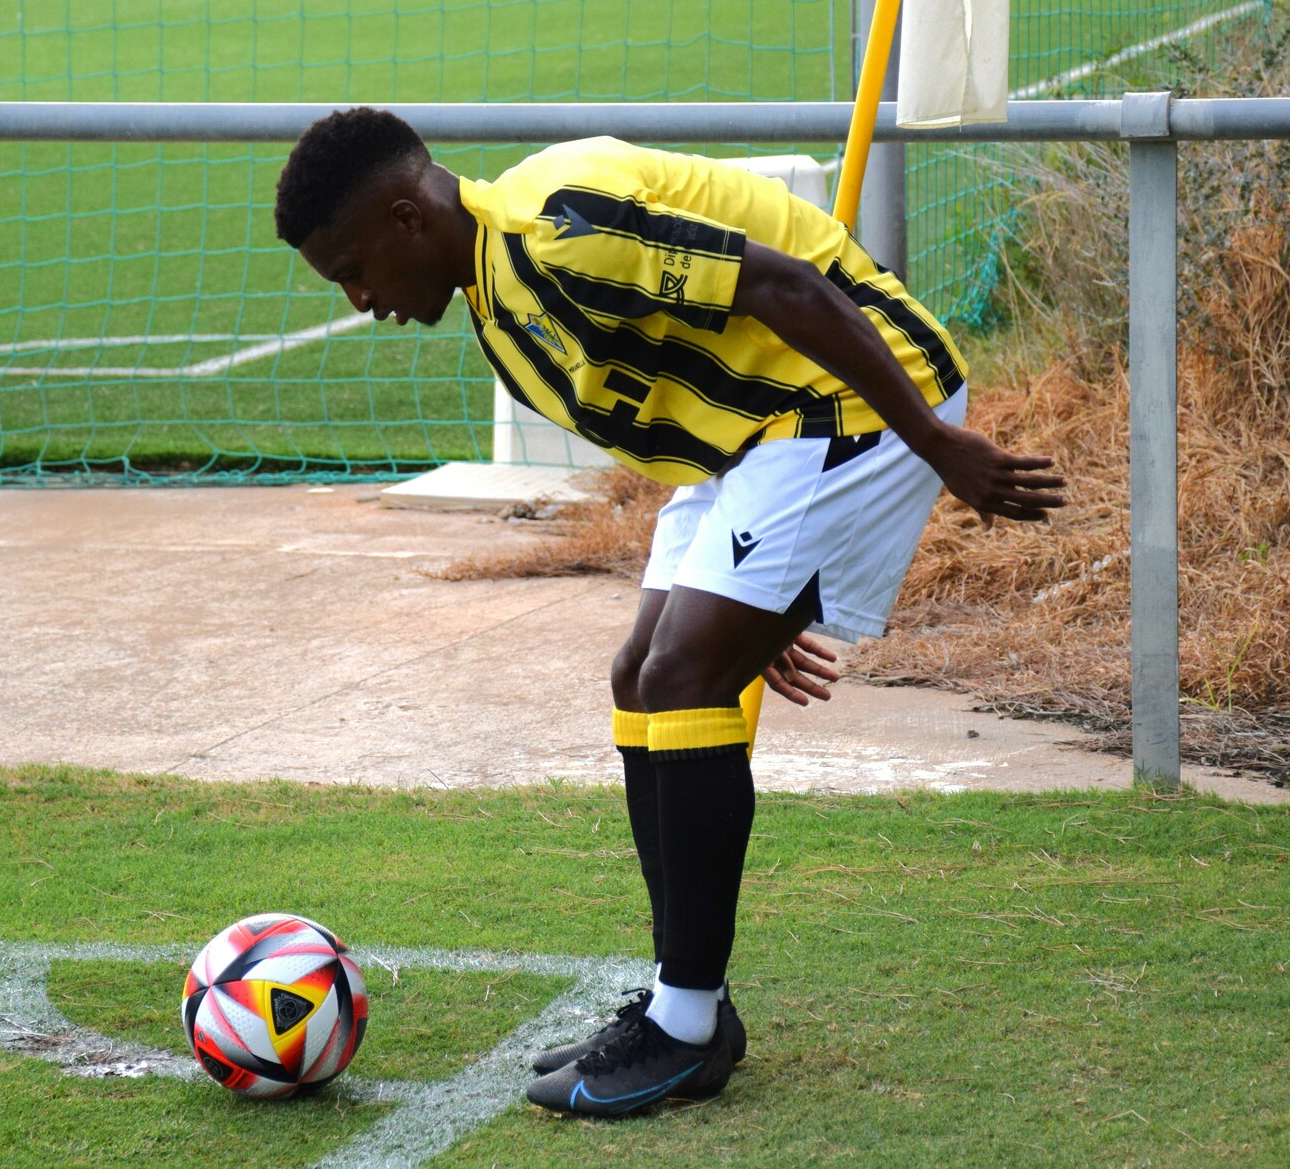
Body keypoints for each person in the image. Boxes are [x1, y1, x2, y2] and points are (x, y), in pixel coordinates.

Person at [274, 107, 1066, 1117]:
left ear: (404, 216)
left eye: (353, 270)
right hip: (753, 435)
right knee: (644, 673)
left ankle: (686, 1029)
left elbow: (787, 287)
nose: (359, 299)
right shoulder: (499, 299)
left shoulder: (561, 230)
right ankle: (683, 1003)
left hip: (857, 397)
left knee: (683, 674)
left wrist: (936, 444)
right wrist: (746, 606)